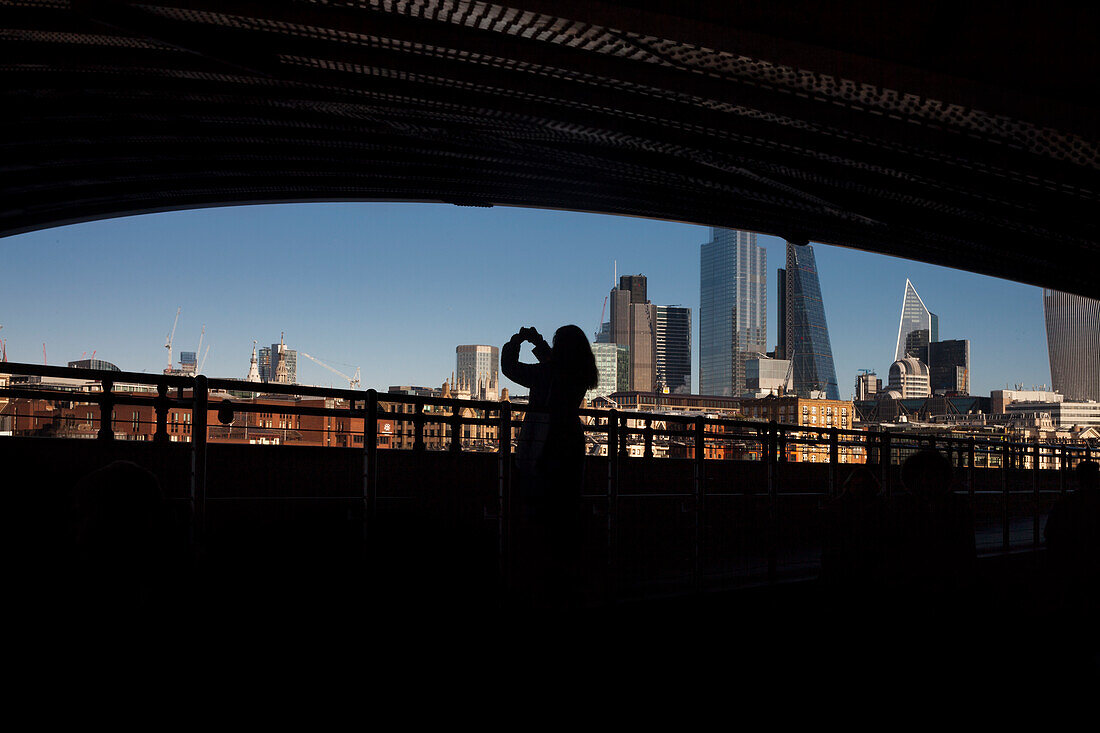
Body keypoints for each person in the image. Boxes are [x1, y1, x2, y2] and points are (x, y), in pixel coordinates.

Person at [501, 324, 599, 608]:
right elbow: (553, 362)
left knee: (539, 510)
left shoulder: (547, 374)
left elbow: (510, 368)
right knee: (567, 509)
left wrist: (517, 339)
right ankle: (567, 576)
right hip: (571, 443)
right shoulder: (579, 374)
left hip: (543, 445)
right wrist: (540, 342)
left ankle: (539, 580)